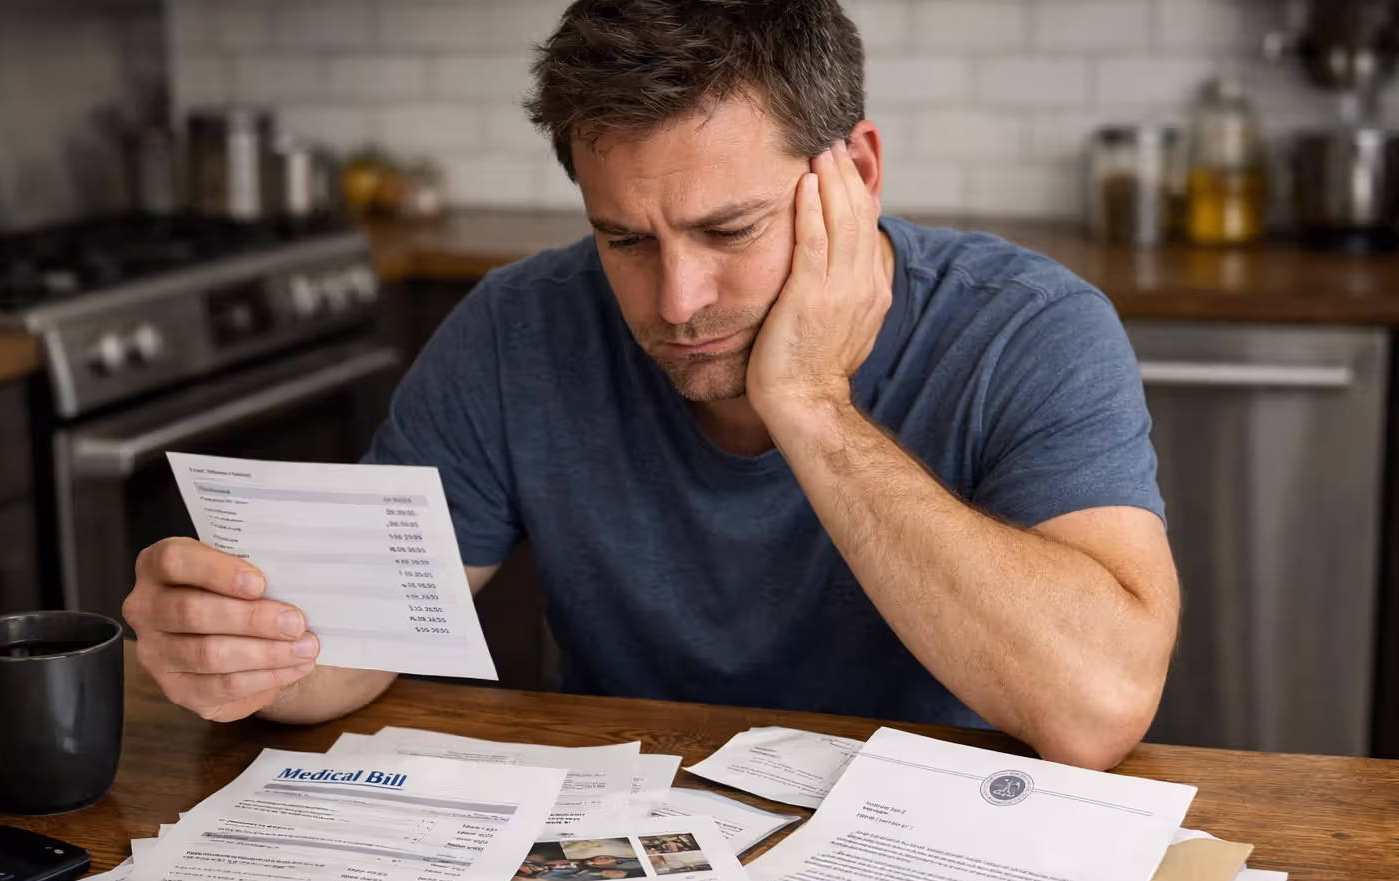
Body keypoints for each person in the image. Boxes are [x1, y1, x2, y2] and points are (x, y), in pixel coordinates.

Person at [122, 0, 1179, 771]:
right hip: (623, 863)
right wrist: (238, 651)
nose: (677, 300)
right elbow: (342, 648)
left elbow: (1097, 706)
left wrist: (810, 401)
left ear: (854, 172)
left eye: (730, 230)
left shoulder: (1029, 327)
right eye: (623, 238)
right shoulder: (517, 329)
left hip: (935, 869)